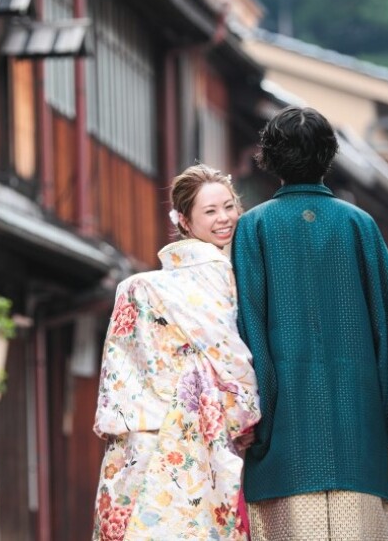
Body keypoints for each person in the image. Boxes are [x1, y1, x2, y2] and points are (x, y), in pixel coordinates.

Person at [231, 106, 388, 541]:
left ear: (269, 157)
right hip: (356, 441)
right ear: (329, 155)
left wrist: (258, 427)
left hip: (284, 444)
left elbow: (247, 337)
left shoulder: (253, 228)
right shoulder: (359, 225)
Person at [92, 164, 261, 541]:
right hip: (201, 425)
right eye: (210, 211)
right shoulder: (217, 274)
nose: (224, 218)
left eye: (229, 206)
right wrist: (246, 415)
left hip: (145, 429)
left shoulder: (140, 287)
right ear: (184, 220)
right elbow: (229, 354)